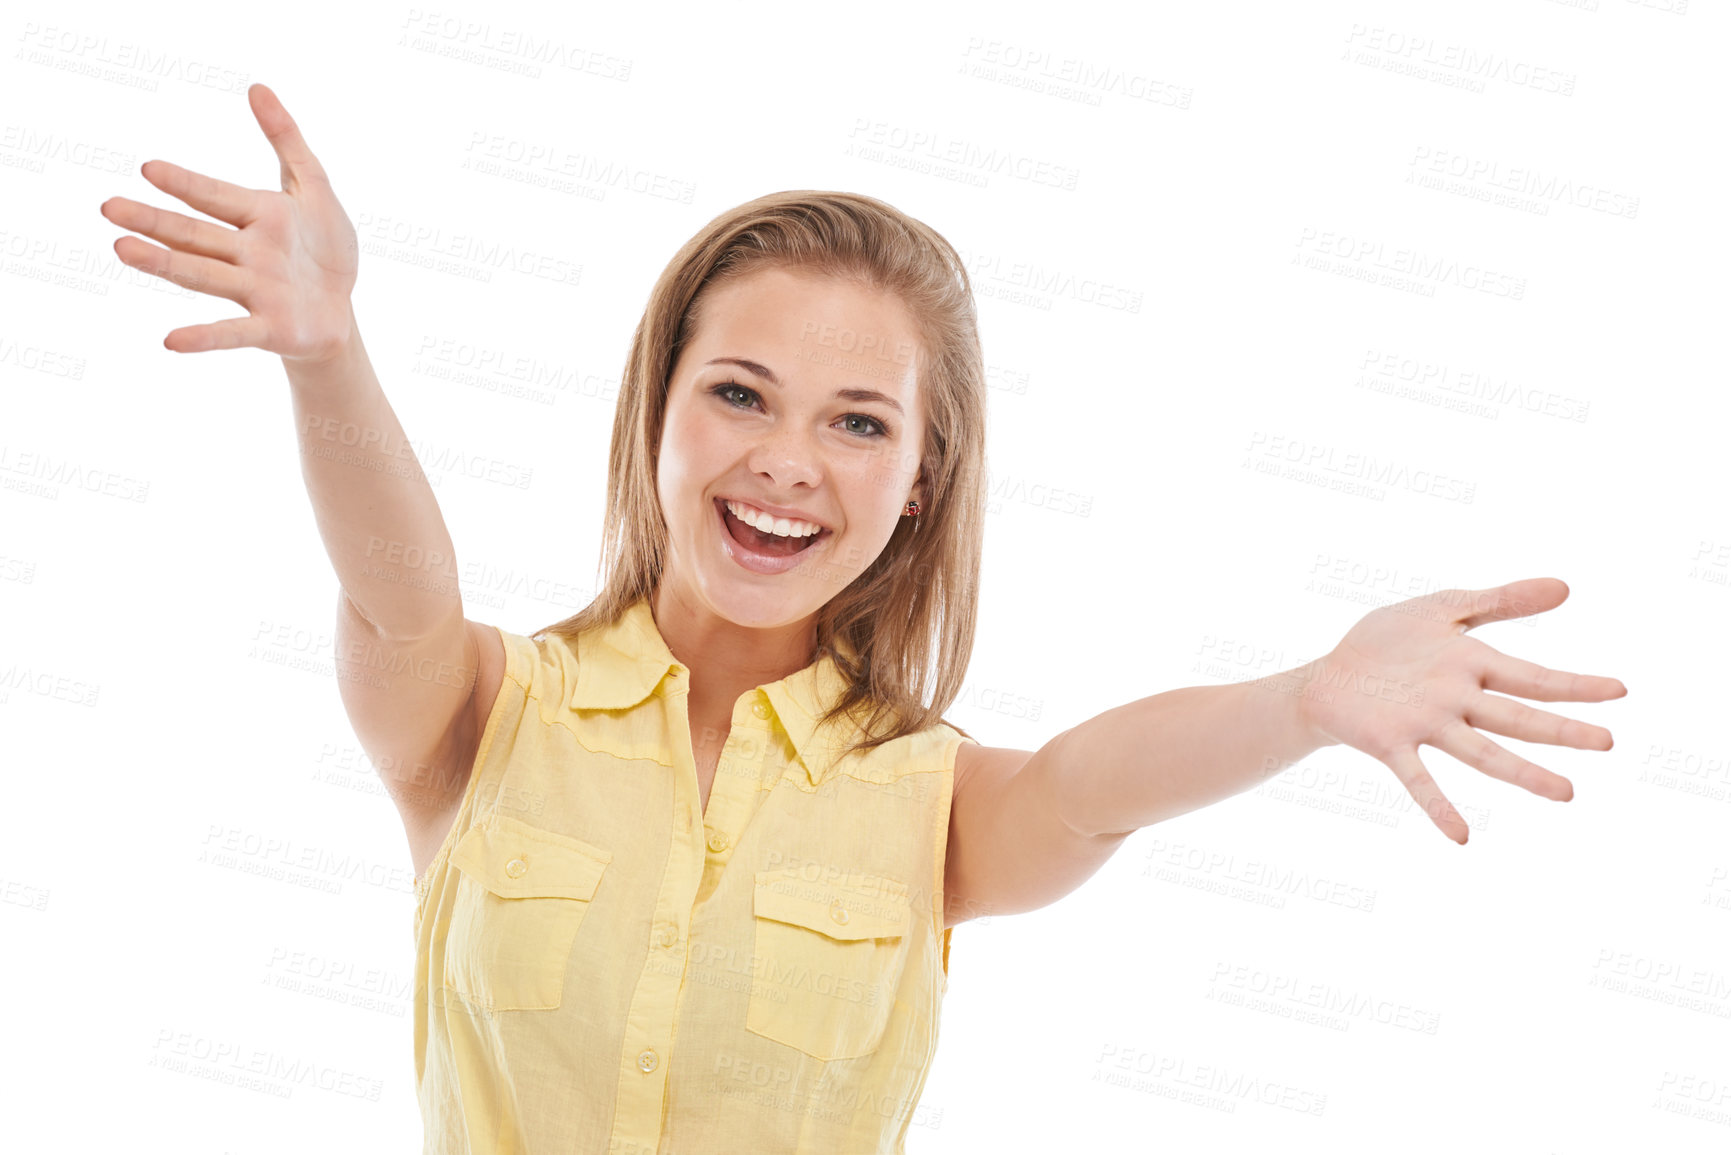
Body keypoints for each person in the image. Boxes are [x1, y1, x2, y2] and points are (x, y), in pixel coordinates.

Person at [101, 83, 1628, 1154]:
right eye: (741, 394)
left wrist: (1307, 697)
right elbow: (398, 587)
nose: (786, 462)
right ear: (662, 417)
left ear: (916, 483)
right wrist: (324, 355)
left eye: (857, 424)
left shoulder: (927, 799)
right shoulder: (483, 718)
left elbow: (1093, 784)